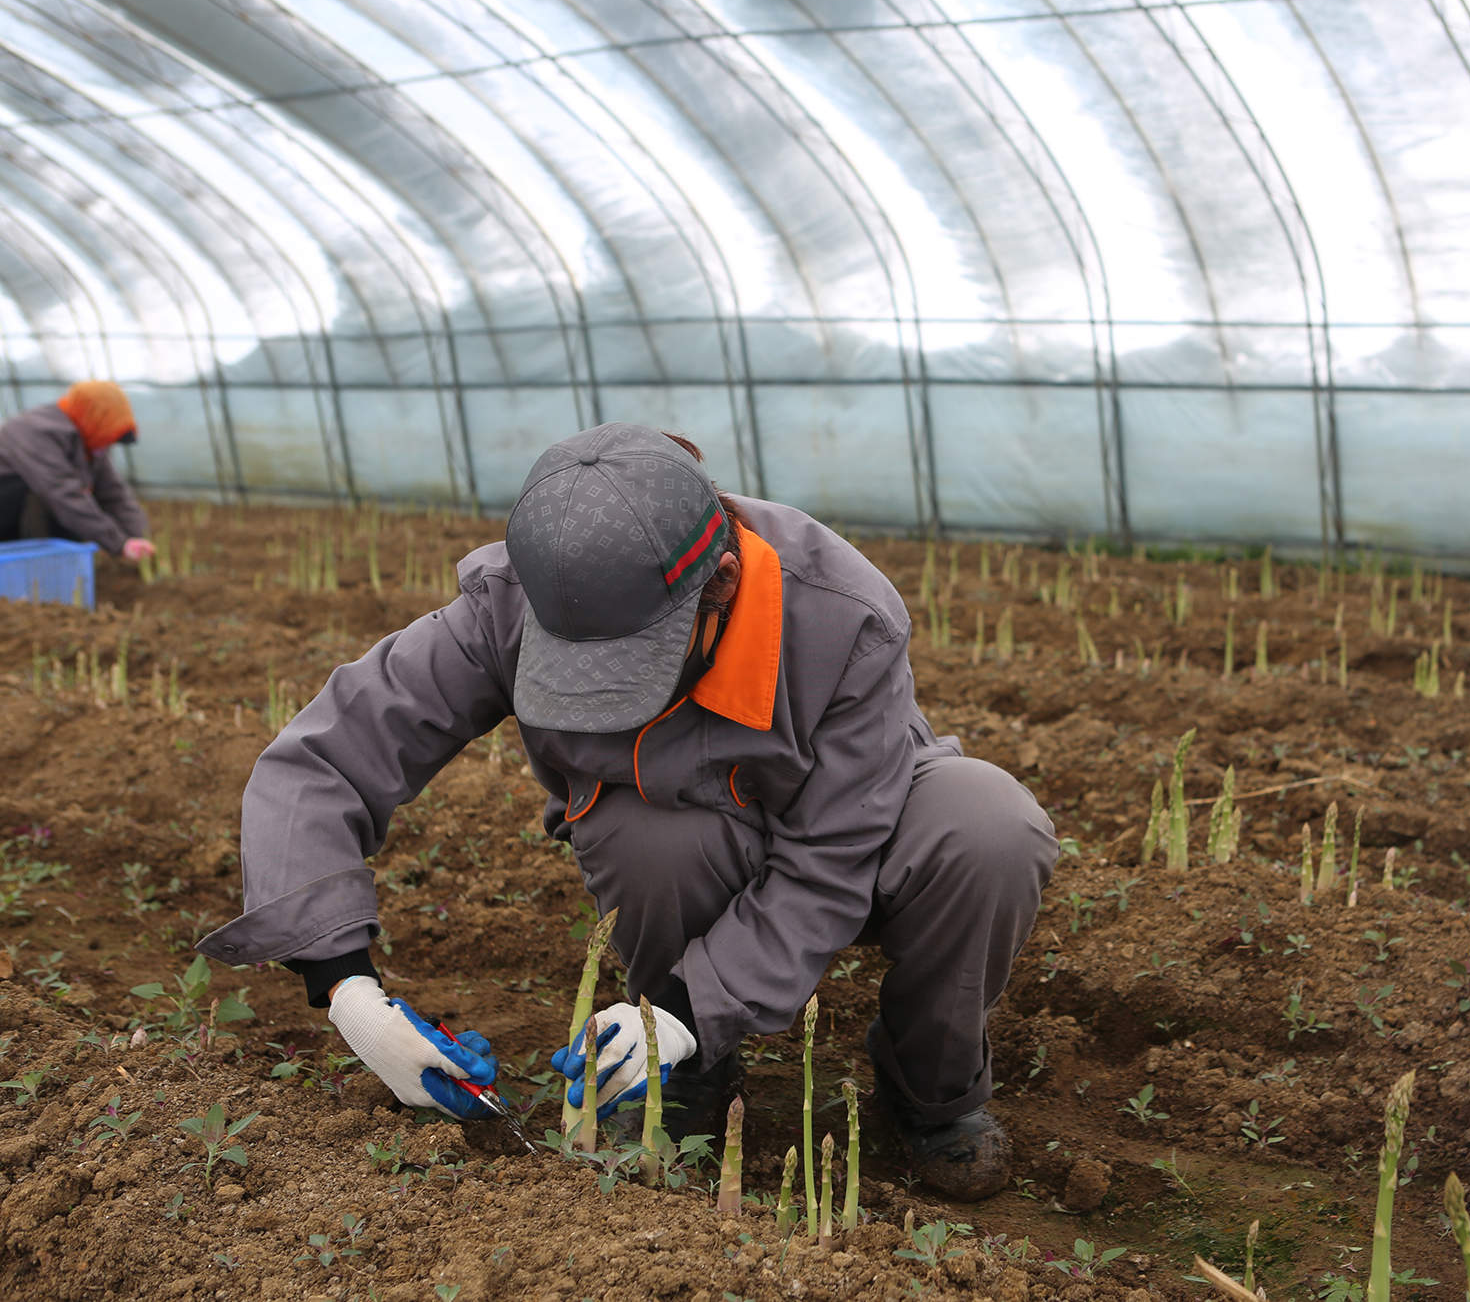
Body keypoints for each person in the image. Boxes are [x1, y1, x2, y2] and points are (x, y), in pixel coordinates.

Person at [197, 422, 1057, 1201]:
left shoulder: (841, 615)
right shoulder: (515, 599)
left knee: (987, 827)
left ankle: (933, 1091)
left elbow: (830, 857)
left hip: (861, 829)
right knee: (649, 832)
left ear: (720, 583)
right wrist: (344, 984)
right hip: (684, 841)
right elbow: (321, 759)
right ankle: (693, 1072)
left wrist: (682, 1002)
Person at [0, 381, 155, 562]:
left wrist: (138, 536)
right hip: (8, 512)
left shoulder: (89, 438)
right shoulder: (33, 432)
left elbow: (113, 492)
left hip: (45, 505)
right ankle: (39, 561)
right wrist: (119, 543)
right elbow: (63, 493)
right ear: (93, 416)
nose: (106, 447)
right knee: (53, 502)